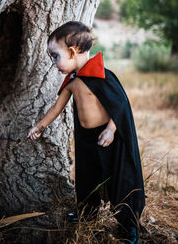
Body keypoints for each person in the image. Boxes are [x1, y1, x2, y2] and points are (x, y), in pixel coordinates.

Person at [27, 21, 145, 243]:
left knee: (119, 181)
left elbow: (120, 107)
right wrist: (39, 126)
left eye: (55, 56)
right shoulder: (72, 81)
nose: (54, 63)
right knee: (87, 179)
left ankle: (129, 225)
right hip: (87, 140)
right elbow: (56, 108)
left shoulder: (102, 76)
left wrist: (111, 130)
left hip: (109, 139)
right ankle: (86, 214)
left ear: (72, 52)